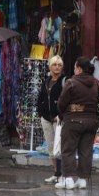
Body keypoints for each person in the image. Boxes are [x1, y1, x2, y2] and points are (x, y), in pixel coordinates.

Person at [55, 56, 99, 190]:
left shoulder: (72, 82)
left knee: (68, 149)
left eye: (75, 67)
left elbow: (62, 102)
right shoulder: (95, 83)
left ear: (79, 68)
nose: (74, 70)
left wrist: (62, 115)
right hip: (92, 121)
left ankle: (68, 179)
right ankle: (82, 180)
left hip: (73, 120)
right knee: (85, 151)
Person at [36, 55, 66, 183]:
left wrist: (61, 115)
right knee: (50, 147)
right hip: (46, 118)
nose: (57, 67)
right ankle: (56, 173)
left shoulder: (65, 81)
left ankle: (63, 175)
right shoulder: (46, 81)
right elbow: (41, 98)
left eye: (59, 65)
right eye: (55, 64)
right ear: (50, 66)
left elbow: (67, 100)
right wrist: (40, 111)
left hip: (58, 119)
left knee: (59, 147)